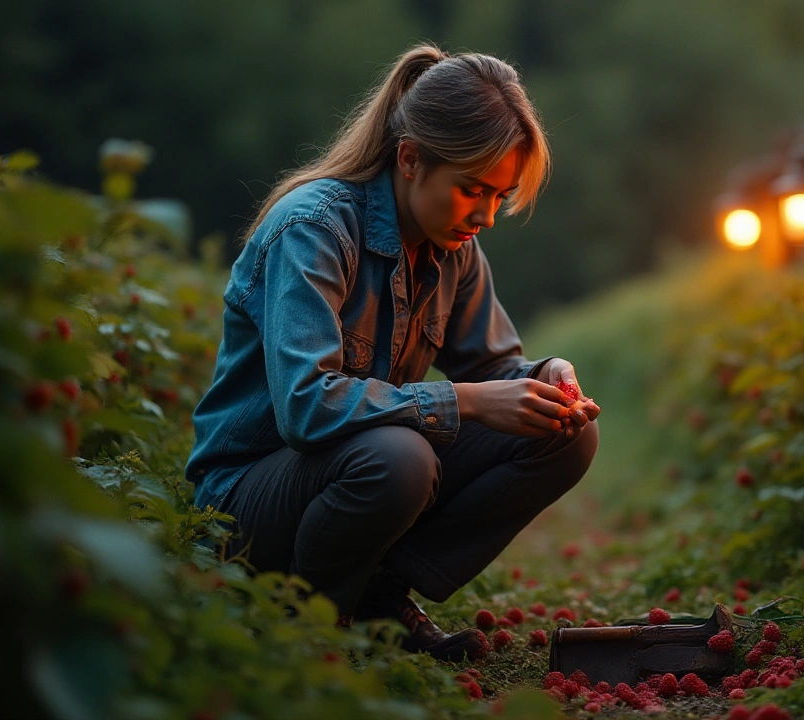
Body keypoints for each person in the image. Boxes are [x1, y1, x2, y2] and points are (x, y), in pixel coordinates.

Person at [184, 44, 600, 662]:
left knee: (562, 434)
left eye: (500, 196)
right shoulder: (314, 230)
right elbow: (306, 408)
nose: (485, 215)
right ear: (410, 159)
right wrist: (463, 399)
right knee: (399, 457)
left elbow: (492, 370)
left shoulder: (452, 244)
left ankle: (377, 595)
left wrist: (545, 379)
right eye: (472, 190)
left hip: (356, 476)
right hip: (246, 501)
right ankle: (303, 626)